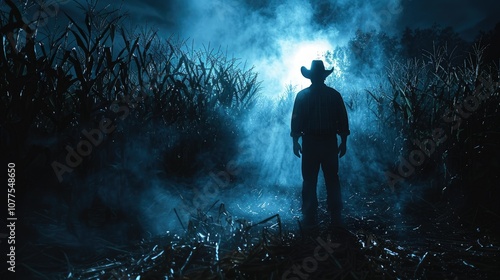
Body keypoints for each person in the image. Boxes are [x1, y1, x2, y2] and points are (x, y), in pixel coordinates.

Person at [290, 60, 350, 227]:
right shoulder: (334, 95)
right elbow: (343, 120)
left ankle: (310, 215)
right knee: (332, 178)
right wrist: (343, 141)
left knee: (309, 179)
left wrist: (296, 141)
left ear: (311, 77)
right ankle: (335, 215)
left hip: (310, 142)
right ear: (323, 76)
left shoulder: (302, 96)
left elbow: (296, 121)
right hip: (328, 142)